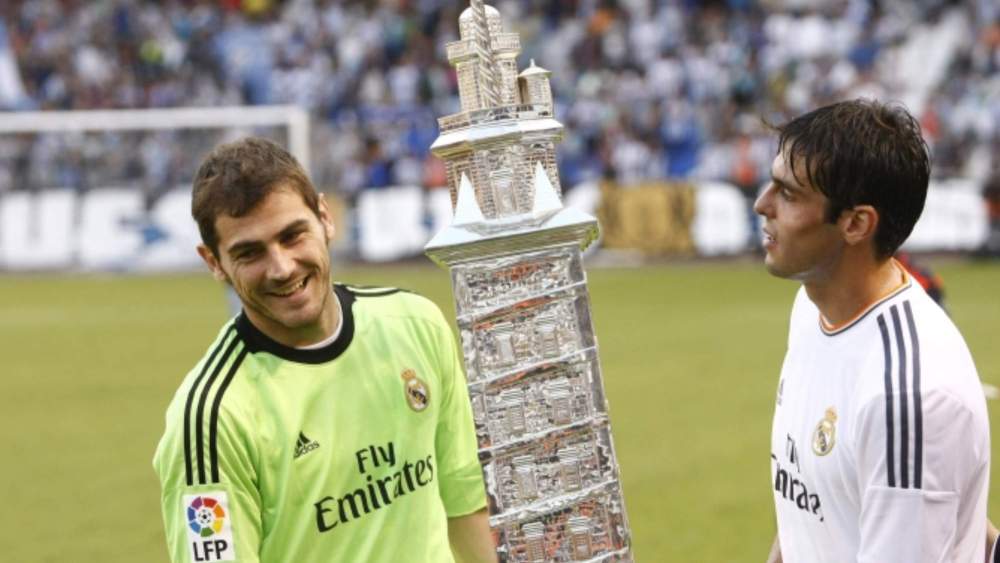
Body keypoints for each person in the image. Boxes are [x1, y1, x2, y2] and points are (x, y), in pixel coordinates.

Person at [152, 137, 496, 563]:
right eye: (249, 252)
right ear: (214, 263)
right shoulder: (210, 420)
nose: (281, 268)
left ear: (325, 218)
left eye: (292, 235)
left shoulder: (415, 324)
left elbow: (465, 501)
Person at [756, 99, 990, 562]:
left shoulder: (907, 398)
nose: (762, 204)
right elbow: (810, 507)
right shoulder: (811, 307)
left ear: (856, 223)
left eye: (788, 193)